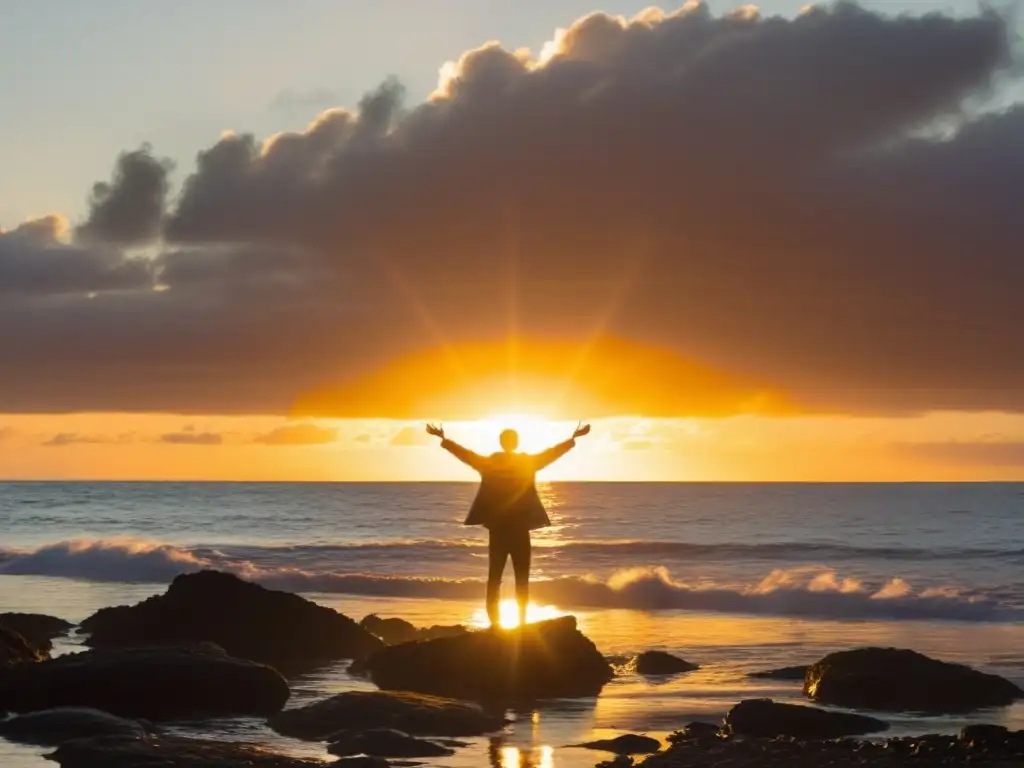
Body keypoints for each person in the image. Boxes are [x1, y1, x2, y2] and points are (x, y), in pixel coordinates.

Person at [426, 420, 591, 629]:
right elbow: (551, 453)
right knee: (520, 579)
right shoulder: (526, 463)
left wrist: (444, 440)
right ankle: (519, 623)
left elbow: (465, 454)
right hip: (519, 529)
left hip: (500, 530)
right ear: (514, 442)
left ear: (502, 443)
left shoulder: (490, 464)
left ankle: (496, 624)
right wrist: (572, 440)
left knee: (495, 578)